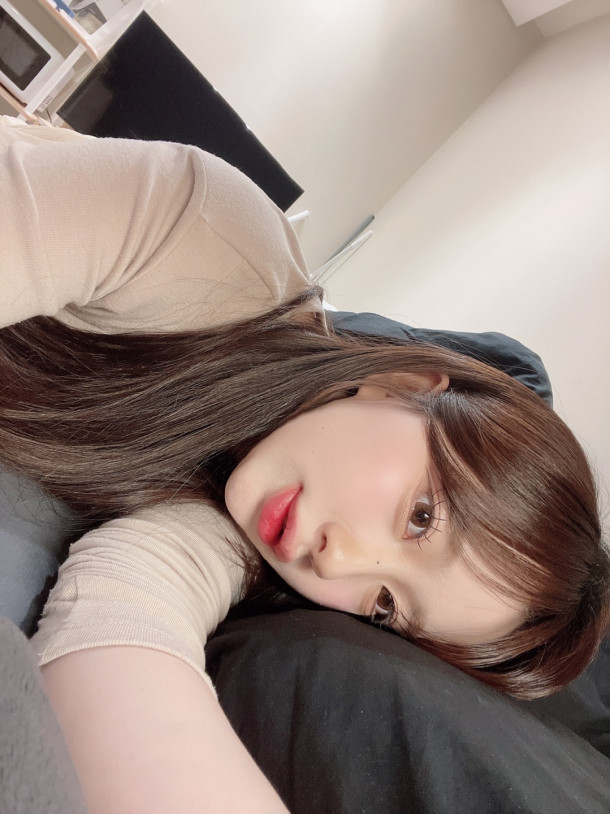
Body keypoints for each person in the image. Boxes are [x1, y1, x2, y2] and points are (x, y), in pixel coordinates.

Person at [1, 117, 608, 813]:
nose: (338, 561)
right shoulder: (214, 241)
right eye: (421, 517)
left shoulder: (236, 533)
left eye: (387, 606)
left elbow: (123, 622)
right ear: (406, 385)